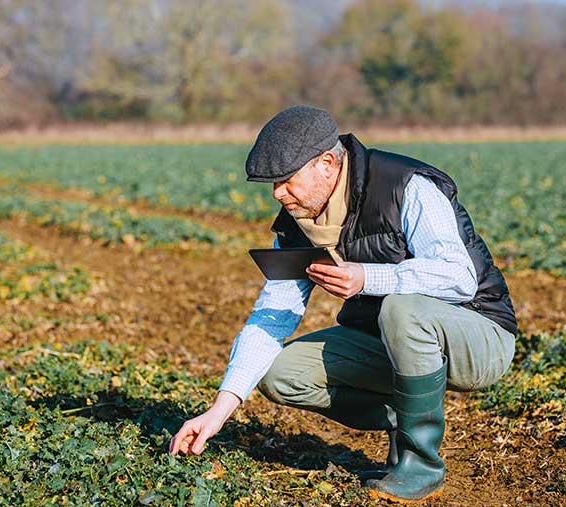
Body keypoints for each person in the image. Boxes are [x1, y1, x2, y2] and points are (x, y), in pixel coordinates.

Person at [168, 105, 518, 503]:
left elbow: (459, 277)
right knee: (279, 372)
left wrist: (367, 277)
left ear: (328, 163)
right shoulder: (297, 224)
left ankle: (421, 463)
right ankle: (404, 417)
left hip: (479, 334)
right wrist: (219, 411)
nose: (277, 194)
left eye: (285, 181)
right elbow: (271, 318)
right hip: (390, 343)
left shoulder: (407, 186)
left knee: (402, 310)